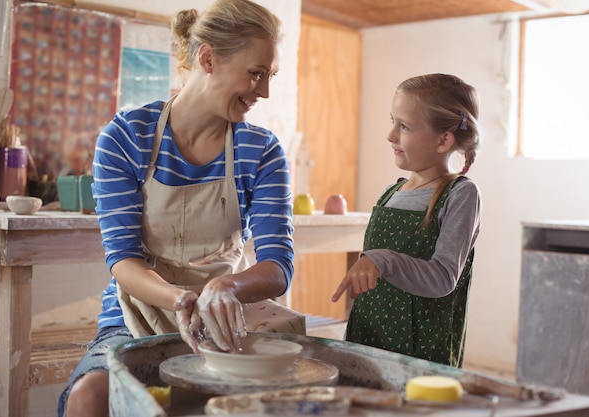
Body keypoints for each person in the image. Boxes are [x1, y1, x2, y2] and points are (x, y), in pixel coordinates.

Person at [58, 1, 301, 416]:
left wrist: (228, 287)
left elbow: (278, 266)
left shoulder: (262, 151)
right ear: (208, 58)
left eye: (270, 76)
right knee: (90, 397)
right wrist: (178, 299)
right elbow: (123, 260)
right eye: (256, 73)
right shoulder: (125, 138)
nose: (264, 92)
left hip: (225, 319)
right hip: (135, 316)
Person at [332, 73, 482, 367]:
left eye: (404, 126)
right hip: (368, 339)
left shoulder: (461, 194)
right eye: (393, 121)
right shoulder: (392, 192)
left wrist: (382, 259)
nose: (390, 135)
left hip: (420, 353)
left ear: (443, 140)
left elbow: (443, 278)